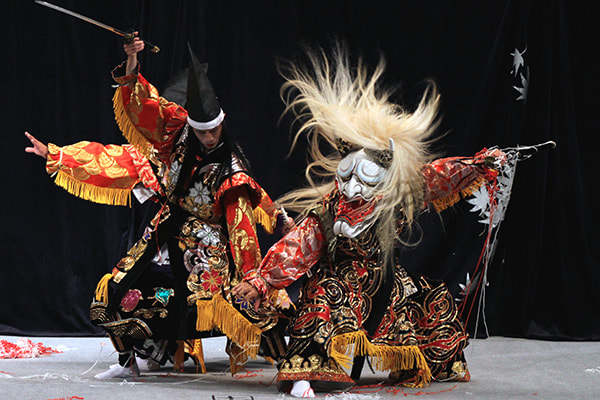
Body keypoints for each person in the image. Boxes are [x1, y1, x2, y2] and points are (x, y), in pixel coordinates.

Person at [232, 45, 507, 397]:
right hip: (339, 282)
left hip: (385, 281)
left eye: (364, 180)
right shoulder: (330, 208)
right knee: (320, 301)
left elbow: (440, 176)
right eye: (347, 178)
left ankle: (430, 361)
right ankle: (304, 374)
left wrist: (478, 164)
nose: (353, 188)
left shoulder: (398, 193)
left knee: (430, 300)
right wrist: (261, 281)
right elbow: (299, 245)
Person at [25, 35, 291, 379]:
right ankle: (137, 357)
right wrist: (57, 155)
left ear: (222, 124)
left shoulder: (232, 170)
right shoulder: (170, 139)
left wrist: (275, 224)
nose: (208, 139)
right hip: (165, 232)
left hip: (208, 243)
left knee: (231, 299)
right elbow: (114, 152)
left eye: (214, 131)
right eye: (201, 132)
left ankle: (292, 364)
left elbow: (245, 218)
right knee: (118, 287)